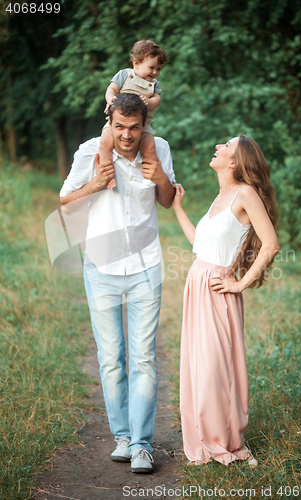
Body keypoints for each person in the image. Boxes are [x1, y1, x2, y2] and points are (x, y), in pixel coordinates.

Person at [59, 93, 176, 473]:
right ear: (109, 121)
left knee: (143, 358)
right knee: (111, 360)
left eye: (134, 127)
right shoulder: (90, 151)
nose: (126, 135)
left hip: (145, 267)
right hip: (101, 267)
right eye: (120, 127)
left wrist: (160, 178)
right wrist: (94, 184)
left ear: (145, 126)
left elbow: (168, 199)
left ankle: (142, 445)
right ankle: (122, 438)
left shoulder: (158, 149)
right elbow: (65, 201)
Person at [172, 135, 279, 467]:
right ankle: (204, 437)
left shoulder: (244, 193)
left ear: (234, 161)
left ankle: (223, 438)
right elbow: (199, 244)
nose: (217, 146)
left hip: (219, 289)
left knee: (216, 368)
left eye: (225, 146)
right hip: (197, 284)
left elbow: (271, 243)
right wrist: (177, 207)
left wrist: (240, 284)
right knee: (198, 364)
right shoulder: (220, 197)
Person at [100, 39, 168, 189]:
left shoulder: (154, 85)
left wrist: (149, 102)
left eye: (158, 69)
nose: (155, 72)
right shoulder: (124, 75)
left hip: (144, 123)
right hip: (119, 120)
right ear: (136, 63)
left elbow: (157, 100)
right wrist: (111, 99)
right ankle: (108, 175)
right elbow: (111, 89)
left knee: (149, 147)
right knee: (105, 142)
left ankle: (148, 179)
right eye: (151, 67)